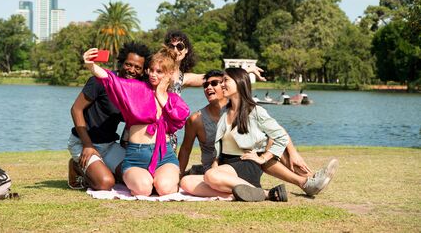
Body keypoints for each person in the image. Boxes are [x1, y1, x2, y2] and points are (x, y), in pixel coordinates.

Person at [179, 69, 338, 199]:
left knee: (265, 142)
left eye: (217, 83)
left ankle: (308, 180)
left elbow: (278, 133)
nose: (209, 87)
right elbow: (189, 149)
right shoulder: (205, 117)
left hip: (243, 164)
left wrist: (291, 152)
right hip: (223, 167)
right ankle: (248, 194)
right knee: (187, 182)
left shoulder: (249, 110)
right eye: (205, 85)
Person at [83, 46, 190, 196]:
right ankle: (147, 181)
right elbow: (110, 80)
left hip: (164, 156)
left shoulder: (172, 99)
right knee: (143, 189)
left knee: (165, 189)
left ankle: (163, 180)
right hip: (136, 156)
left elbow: (179, 118)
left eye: (159, 72)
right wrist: (91, 65)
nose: (153, 74)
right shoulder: (135, 89)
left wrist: (160, 93)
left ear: (169, 74)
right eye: (151, 70)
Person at [180, 68, 291, 202]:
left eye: (225, 81)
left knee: (210, 176)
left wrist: (264, 158)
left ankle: (260, 192)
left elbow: (281, 137)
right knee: (187, 182)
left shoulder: (255, 111)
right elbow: (220, 146)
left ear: (238, 83)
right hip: (225, 165)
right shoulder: (224, 113)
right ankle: (244, 194)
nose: (222, 85)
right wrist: (215, 165)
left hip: (245, 163)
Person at [68, 42, 150, 191]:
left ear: (143, 71)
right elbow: (76, 109)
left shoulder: (135, 91)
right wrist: (87, 145)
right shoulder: (100, 81)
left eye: (137, 67)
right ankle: (76, 166)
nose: (131, 70)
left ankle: (99, 166)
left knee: (133, 179)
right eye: (128, 64)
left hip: (109, 145)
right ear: (121, 62)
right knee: (105, 183)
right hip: (83, 142)